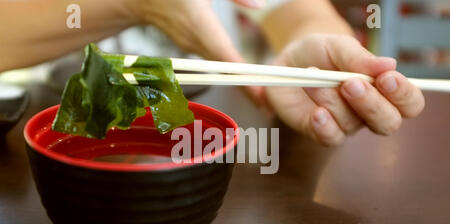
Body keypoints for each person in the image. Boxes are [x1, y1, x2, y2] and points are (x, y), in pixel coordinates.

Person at [0, 0, 425, 146]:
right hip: (52, 151)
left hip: (227, 171)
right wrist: (134, 5)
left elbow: (302, 14)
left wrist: (323, 63)